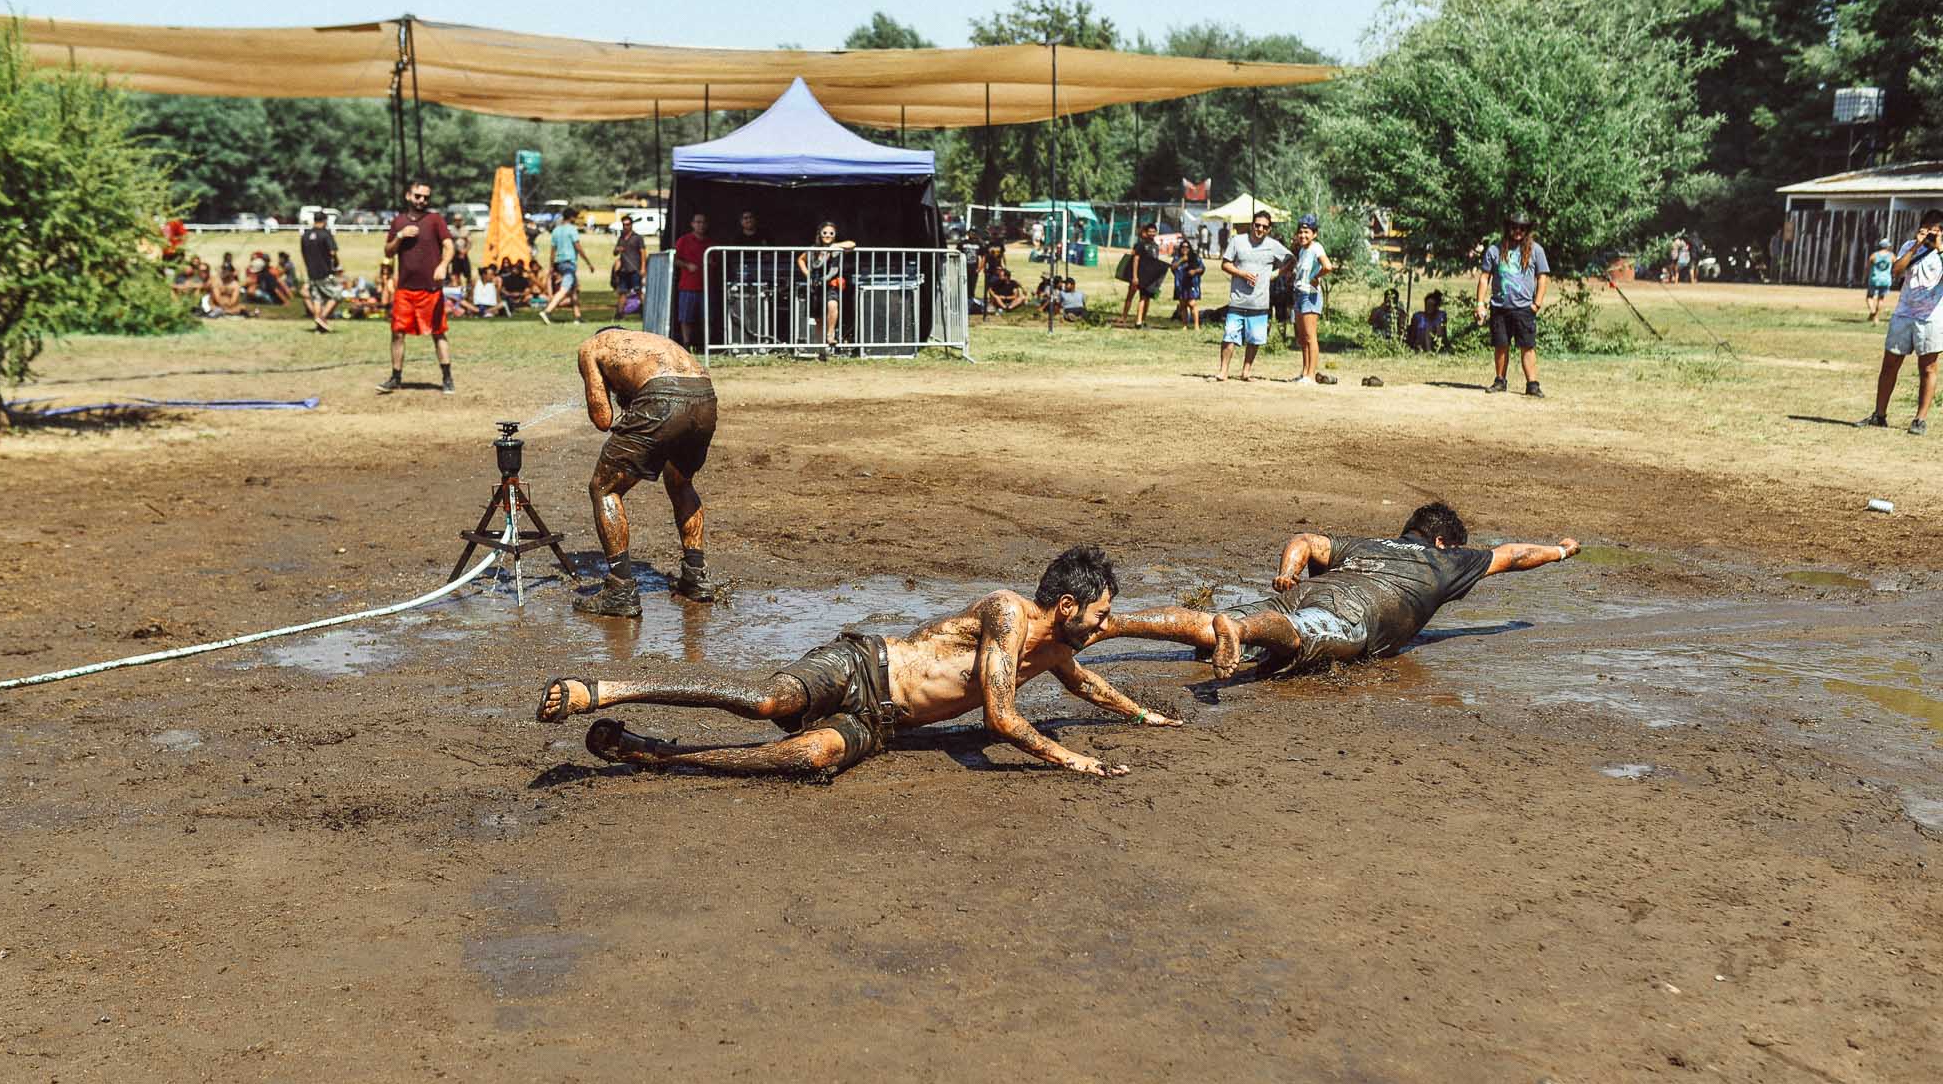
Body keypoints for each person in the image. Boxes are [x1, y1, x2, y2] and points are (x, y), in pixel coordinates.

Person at [536, 545, 1179, 778]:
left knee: (804, 758)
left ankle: (652, 753)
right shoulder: (1009, 613)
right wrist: (1077, 760)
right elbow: (1002, 719)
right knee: (766, 702)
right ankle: (607, 688)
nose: (1105, 625)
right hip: (862, 666)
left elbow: (1086, 684)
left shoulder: (1058, 648)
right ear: (1068, 605)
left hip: (883, 722)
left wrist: (1140, 715)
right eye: (1101, 614)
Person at [1092, 502, 1582, 678]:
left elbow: (1306, 541)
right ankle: (1239, 629)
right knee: (1300, 635)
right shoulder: (1447, 559)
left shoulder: (1364, 543)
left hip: (1310, 588)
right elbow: (1513, 555)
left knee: (1207, 625)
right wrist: (1560, 550)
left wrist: (1289, 573)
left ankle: (1108, 624)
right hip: (1354, 610)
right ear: (1440, 541)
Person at [568, 328, 721, 619]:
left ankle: (620, 590)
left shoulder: (591, 347)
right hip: (704, 396)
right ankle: (696, 577)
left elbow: (603, 419)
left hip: (661, 399)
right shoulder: (649, 341)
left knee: (604, 488)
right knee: (680, 481)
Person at [1865, 207, 1943, 437]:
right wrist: (1918, 245)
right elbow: (1896, 272)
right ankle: (1879, 415)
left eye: (1937, 229)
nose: (1932, 232)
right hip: (1903, 314)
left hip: (1931, 317)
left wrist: (1938, 249)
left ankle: (1920, 419)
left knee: (1928, 367)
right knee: (1889, 364)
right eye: (1928, 228)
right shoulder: (1909, 247)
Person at [377, 179, 455, 395]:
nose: (422, 201)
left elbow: (449, 245)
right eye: (418, 196)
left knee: (438, 333)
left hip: (430, 289)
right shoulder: (398, 221)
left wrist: (443, 264)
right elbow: (388, 251)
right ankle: (395, 377)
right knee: (397, 333)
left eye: (426, 197)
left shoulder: (435, 220)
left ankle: (447, 378)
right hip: (405, 289)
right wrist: (401, 236)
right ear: (408, 196)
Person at [1475, 210, 1551, 396]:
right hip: (1500, 307)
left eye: (1522, 227)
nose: (1518, 230)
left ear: (1527, 230)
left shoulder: (1536, 250)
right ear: (1508, 227)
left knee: (1527, 346)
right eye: (1514, 226)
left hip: (1524, 308)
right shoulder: (1494, 249)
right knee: (1501, 345)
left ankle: (1532, 384)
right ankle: (1500, 380)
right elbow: (1485, 277)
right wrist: (1480, 303)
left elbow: (1542, 277)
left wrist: (1537, 304)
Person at [1216, 211, 1290, 381]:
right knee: (1229, 335)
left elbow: (1291, 259)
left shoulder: (1273, 245)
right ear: (1252, 225)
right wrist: (1241, 274)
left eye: (1264, 227)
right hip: (1238, 300)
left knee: (1255, 339)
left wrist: (1275, 274)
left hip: (1260, 302)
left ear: (1269, 229)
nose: (1260, 229)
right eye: (1257, 225)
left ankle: (1246, 371)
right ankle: (1223, 371)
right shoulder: (1237, 241)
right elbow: (1225, 264)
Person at [797, 220, 857, 354]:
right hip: (817, 284)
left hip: (832, 283)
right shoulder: (814, 249)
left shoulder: (837, 248)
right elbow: (800, 259)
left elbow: (852, 244)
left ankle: (830, 334)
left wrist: (835, 246)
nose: (828, 235)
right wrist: (808, 274)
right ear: (820, 234)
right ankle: (821, 351)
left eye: (831, 233)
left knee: (832, 305)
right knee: (818, 319)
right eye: (825, 233)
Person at [1288, 215, 1330, 385]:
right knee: (1302, 337)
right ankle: (1304, 372)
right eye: (1300, 232)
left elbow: (1327, 266)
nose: (1303, 235)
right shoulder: (1303, 250)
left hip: (1310, 295)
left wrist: (1316, 277)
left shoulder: (1316, 248)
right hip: (1299, 294)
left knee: (1310, 336)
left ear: (1314, 233)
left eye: (1306, 232)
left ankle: (1311, 375)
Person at [540, 208, 597, 324]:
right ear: (571, 217)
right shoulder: (572, 229)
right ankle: (547, 311)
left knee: (573, 290)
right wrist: (589, 263)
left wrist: (551, 266)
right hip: (569, 263)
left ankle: (577, 316)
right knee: (564, 289)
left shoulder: (556, 230)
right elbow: (578, 247)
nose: (576, 219)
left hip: (559, 263)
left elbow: (553, 251)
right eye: (575, 217)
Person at [673, 212, 713, 347]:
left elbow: (716, 261)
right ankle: (686, 343)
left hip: (707, 287)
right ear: (692, 224)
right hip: (687, 286)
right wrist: (686, 265)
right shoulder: (683, 240)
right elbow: (674, 259)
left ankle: (706, 344)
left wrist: (711, 263)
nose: (700, 225)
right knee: (685, 318)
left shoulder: (710, 243)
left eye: (703, 222)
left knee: (707, 318)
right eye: (698, 222)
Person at [299, 210, 341, 333]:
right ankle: (322, 318)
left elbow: (303, 253)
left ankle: (319, 326)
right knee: (336, 294)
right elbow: (332, 252)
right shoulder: (325, 234)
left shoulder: (305, 235)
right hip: (325, 272)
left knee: (317, 298)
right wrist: (336, 265)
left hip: (311, 272)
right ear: (325, 221)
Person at [1126, 222, 1169, 328]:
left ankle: (1143, 319)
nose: (1152, 233)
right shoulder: (1141, 245)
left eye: (1153, 231)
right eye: (1150, 231)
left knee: (1148, 298)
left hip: (1151, 276)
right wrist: (1135, 276)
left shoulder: (1155, 246)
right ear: (1146, 232)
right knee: (1143, 297)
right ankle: (1138, 321)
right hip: (1142, 275)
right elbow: (1136, 260)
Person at [1171, 237, 1205, 328]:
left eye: (1187, 247)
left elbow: (1202, 268)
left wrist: (1195, 271)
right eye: (1183, 247)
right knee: (1182, 305)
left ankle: (1196, 325)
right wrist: (1182, 260)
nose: (1185, 248)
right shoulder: (1177, 258)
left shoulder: (1195, 257)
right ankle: (1184, 325)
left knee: (1192, 303)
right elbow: (1173, 267)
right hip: (1180, 285)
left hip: (1191, 284)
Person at [612, 215, 646, 303]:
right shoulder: (621, 238)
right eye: (624, 225)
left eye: (628, 224)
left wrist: (643, 267)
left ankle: (644, 309)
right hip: (624, 269)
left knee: (638, 290)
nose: (626, 227)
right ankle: (619, 314)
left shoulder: (638, 238)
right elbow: (615, 253)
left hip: (635, 269)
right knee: (622, 292)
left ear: (631, 225)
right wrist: (617, 249)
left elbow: (643, 252)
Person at [1866, 237, 1894, 323]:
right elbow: (1896, 266)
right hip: (1886, 279)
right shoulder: (1891, 256)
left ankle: (1872, 311)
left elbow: (1868, 267)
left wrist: (1867, 274)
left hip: (1875, 278)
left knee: (1869, 297)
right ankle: (1876, 317)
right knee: (1880, 299)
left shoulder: (1874, 255)